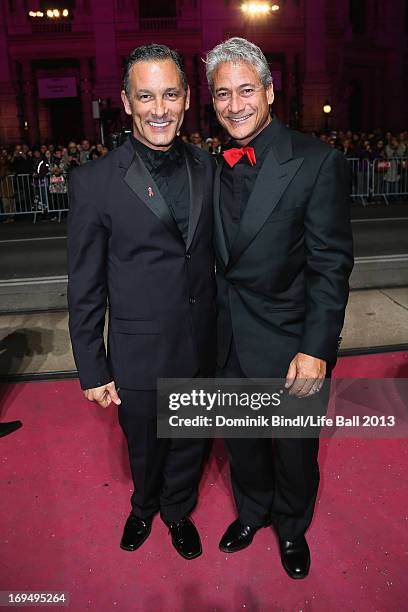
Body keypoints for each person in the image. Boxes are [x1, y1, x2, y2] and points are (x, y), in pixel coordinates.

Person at [205, 38, 353, 578]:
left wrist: (316, 351)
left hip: (290, 343)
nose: (235, 104)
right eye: (223, 93)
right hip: (225, 342)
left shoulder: (317, 162)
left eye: (247, 89)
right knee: (241, 442)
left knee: (293, 448)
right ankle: (252, 510)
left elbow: (330, 266)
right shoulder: (209, 165)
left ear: (269, 91)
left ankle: (292, 526)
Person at [67, 44, 216, 560]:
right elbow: (84, 285)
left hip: (202, 341)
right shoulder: (94, 182)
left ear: (187, 98)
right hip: (137, 350)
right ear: (126, 102)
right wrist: (91, 366)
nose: (160, 109)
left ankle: (177, 512)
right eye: (146, 96)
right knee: (145, 445)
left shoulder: (208, 166)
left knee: (190, 443)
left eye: (170, 94)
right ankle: (142, 505)